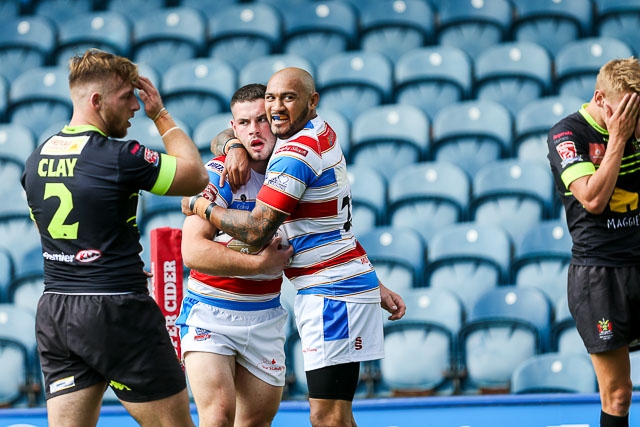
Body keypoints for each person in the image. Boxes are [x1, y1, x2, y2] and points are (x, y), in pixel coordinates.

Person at [184, 67, 406, 427]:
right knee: (225, 417)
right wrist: (231, 145)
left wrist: (201, 206)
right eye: (269, 102)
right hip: (218, 310)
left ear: (311, 101)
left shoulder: (293, 155)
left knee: (328, 418)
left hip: (326, 293)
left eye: (284, 101)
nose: (261, 124)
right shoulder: (310, 135)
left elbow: (257, 230)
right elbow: (192, 251)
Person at [20, 49, 209, 427]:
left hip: (56, 312)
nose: (135, 108)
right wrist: (161, 114)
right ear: (96, 101)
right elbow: (196, 176)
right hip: (116, 311)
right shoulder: (120, 156)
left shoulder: (35, 160)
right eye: (127, 97)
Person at [176, 83, 293, 427]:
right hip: (211, 312)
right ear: (233, 125)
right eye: (243, 123)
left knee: (254, 422)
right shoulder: (222, 171)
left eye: (262, 120)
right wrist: (258, 263)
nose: (254, 130)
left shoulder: (295, 168)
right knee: (218, 417)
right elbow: (193, 251)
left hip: (265, 316)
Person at [547, 57, 640, 427]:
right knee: (618, 394)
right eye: (627, 113)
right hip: (601, 275)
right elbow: (593, 199)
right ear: (601, 99)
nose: (634, 122)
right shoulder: (567, 134)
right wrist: (617, 139)